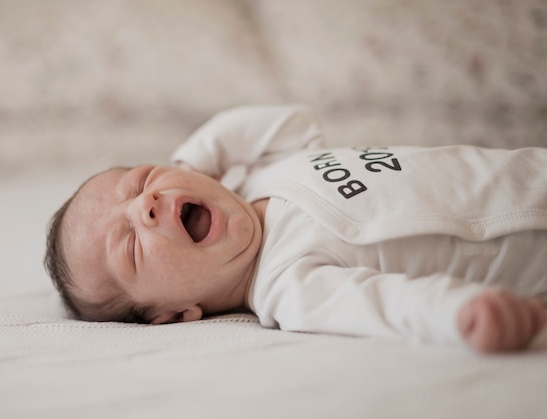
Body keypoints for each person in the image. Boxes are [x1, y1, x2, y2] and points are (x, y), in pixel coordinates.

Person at [45, 105, 547, 354]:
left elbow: (289, 119)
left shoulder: (266, 169)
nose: (146, 206)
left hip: (527, 171)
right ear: (173, 316)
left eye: (142, 181)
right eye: (130, 245)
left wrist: (191, 160)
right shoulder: (287, 285)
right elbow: (386, 305)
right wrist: (460, 314)